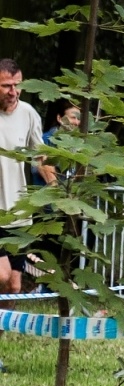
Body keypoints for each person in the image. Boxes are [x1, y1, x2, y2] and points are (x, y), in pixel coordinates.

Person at [0, 59, 53, 294]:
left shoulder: (28, 113)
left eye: (17, 85)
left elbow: (40, 157)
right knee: (1, 275)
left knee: (14, 285)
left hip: (18, 212)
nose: (14, 92)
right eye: (6, 86)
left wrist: (59, 191)